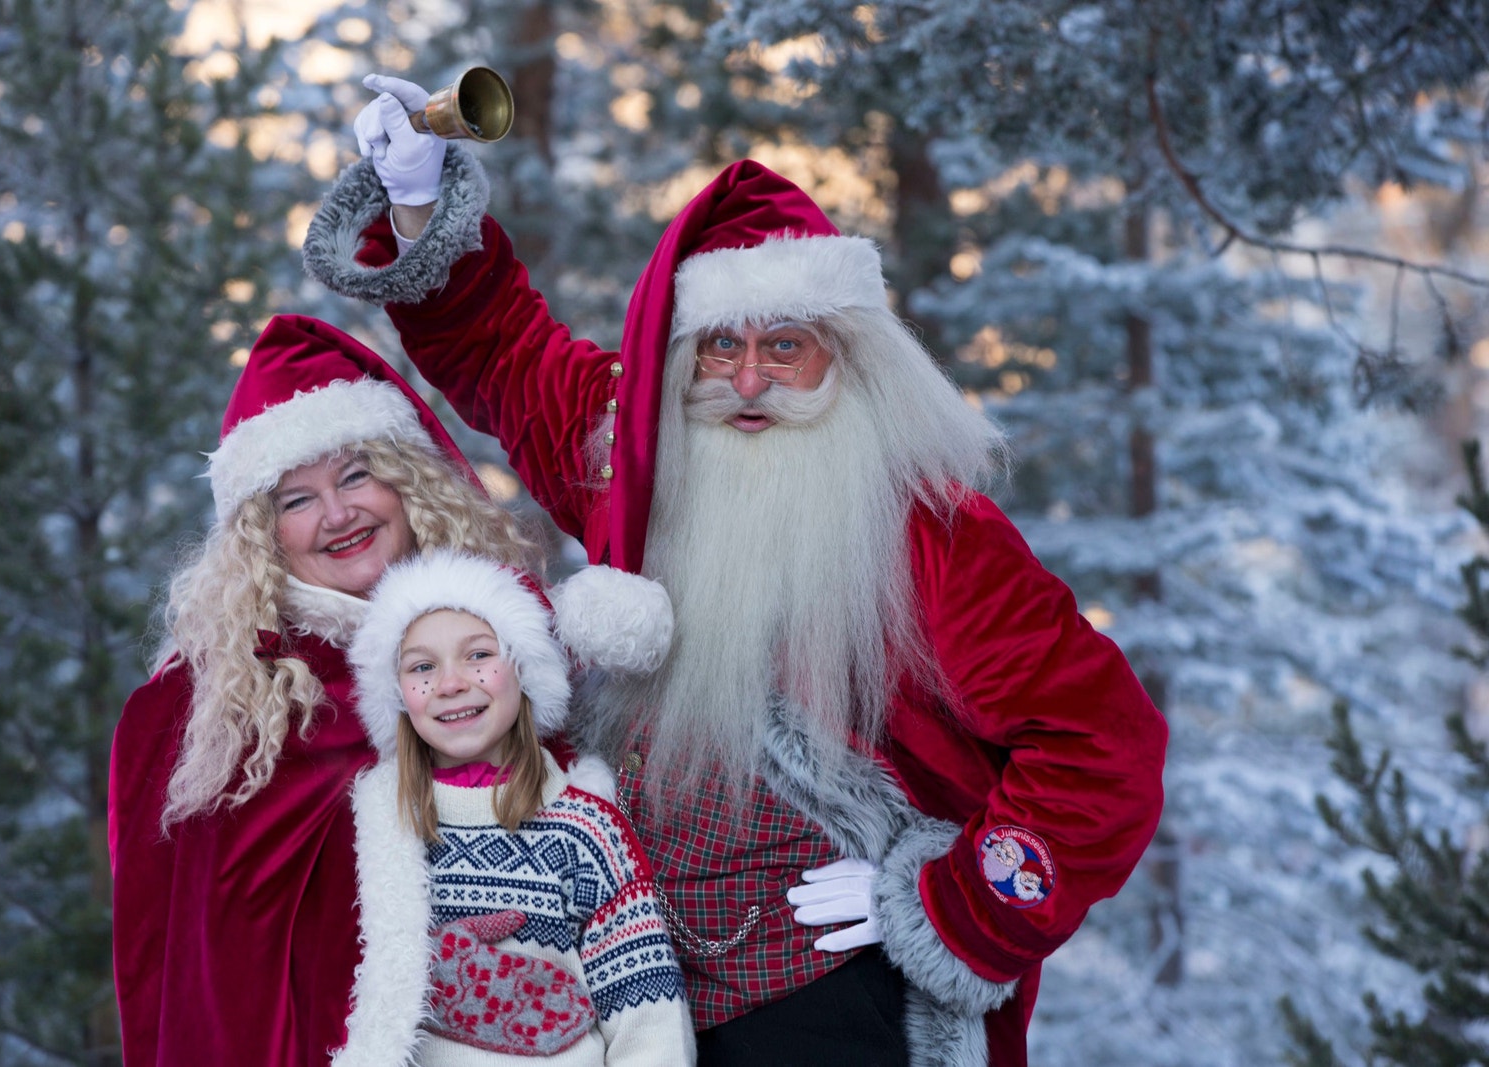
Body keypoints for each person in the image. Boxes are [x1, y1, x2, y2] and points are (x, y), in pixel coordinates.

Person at [301, 76, 1169, 1067]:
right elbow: (500, 347)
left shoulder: (929, 529)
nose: (748, 379)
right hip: (638, 991)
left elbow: (1102, 743)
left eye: (783, 347)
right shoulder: (625, 447)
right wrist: (417, 196)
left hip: (828, 1000)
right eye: (720, 346)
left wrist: (950, 901)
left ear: (843, 355)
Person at [108, 314, 544, 1067]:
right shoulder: (200, 705)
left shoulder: (508, 643)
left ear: (409, 485)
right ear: (263, 533)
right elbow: (163, 958)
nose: (338, 515)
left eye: (354, 475)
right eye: (296, 499)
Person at [333, 549, 694, 1066]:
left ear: (525, 671)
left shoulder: (584, 828)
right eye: (422, 666)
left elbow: (646, 1012)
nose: (452, 683)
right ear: (397, 696)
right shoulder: (379, 827)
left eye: (479, 655)